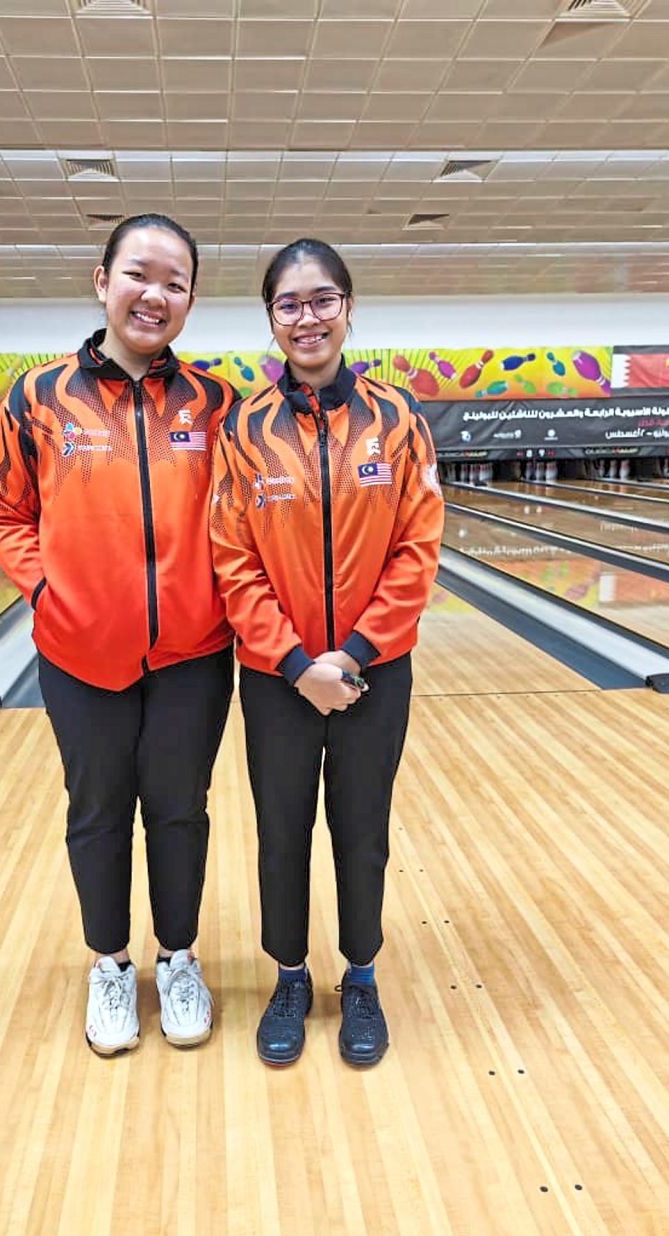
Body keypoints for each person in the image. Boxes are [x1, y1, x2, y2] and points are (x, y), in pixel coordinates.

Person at [0, 214, 236, 1057]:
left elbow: (246, 519)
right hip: (80, 656)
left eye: (174, 282)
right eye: (138, 274)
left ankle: (180, 957)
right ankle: (111, 964)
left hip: (194, 656)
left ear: (191, 300)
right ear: (102, 280)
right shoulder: (38, 397)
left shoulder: (217, 404)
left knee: (180, 811)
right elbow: (3, 510)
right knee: (96, 812)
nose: (153, 294)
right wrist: (50, 591)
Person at [210, 239, 444, 1067]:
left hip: (373, 672)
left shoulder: (399, 418)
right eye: (289, 304)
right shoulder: (242, 430)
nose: (306, 317)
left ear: (348, 307)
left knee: (361, 830)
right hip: (278, 678)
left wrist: (351, 654)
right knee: (282, 831)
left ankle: (363, 978)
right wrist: (294, 663)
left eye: (321, 300)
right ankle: (290, 974)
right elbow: (231, 560)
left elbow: (418, 550)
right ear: (271, 319)